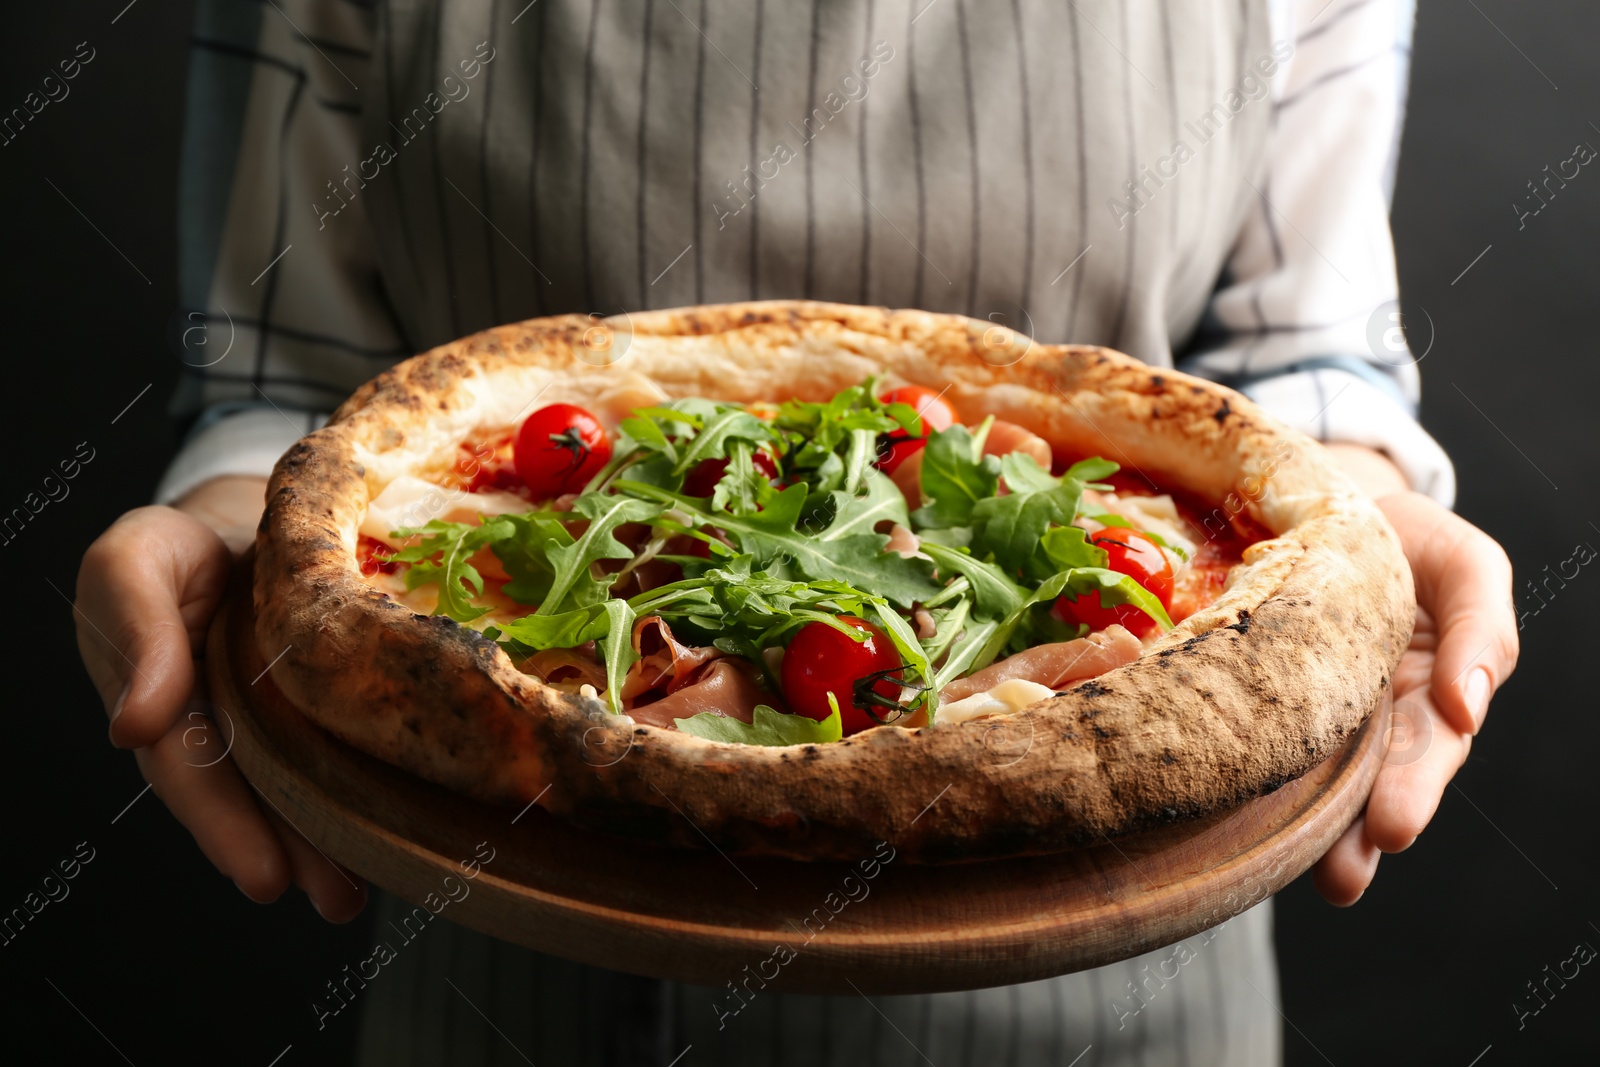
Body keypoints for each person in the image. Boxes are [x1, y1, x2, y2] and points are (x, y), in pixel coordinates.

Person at [75, 0, 1517, 1062]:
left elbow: (1299, 366)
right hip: (514, 957)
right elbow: (285, 390)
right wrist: (220, 527)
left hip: (1118, 993)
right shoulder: (419, 502)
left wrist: (1366, 516)